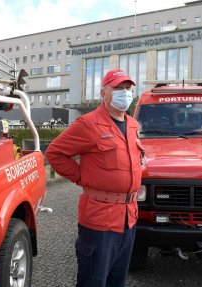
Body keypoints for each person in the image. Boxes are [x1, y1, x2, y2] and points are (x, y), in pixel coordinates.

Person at [45, 69, 144, 287]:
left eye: (128, 89)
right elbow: (55, 153)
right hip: (100, 220)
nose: (125, 93)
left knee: (117, 281)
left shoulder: (133, 125)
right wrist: (82, 177)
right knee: (93, 282)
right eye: (118, 88)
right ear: (104, 93)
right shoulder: (88, 123)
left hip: (128, 219)